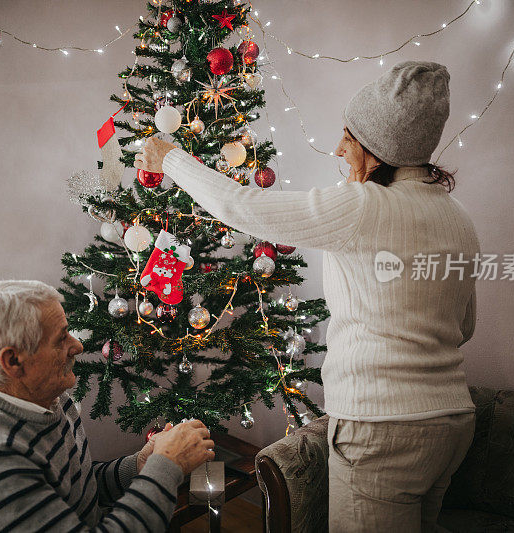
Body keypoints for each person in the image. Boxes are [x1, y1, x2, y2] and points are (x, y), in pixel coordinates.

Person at [135, 60, 478, 532]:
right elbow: (465, 327)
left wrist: (170, 159)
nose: (339, 147)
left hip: (383, 427)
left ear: (377, 150)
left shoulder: (364, 207)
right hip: (453, 422)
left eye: (349, 136)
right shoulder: (457, 218)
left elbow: (245, 207)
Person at [0, 280, 215, 532]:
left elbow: (76, 491)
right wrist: (167, 466)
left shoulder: (47, 399)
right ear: (13, 362)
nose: (77, 346)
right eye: (61, 338)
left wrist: (140, 465)